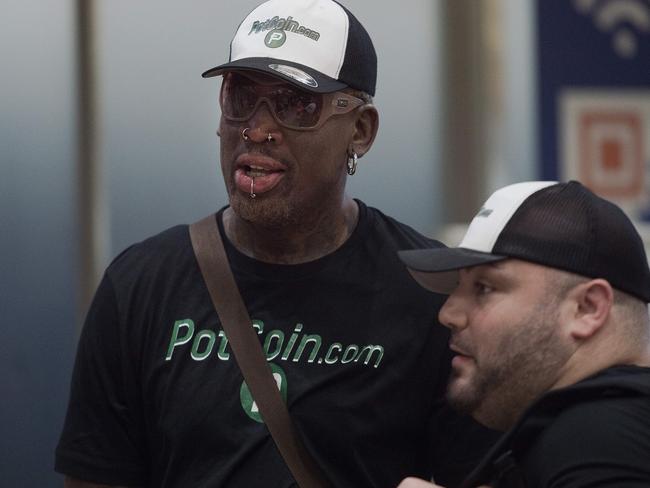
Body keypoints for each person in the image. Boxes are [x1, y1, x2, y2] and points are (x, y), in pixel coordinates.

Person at [55, 0, 498, 486]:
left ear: (361, 130)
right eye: (241, 97)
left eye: (295, 104)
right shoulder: (140, 287)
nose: (258, 129)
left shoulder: (430, 293)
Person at [396, 180, 650, 488]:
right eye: (457, 287)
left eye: (485, 288)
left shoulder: (597, 431)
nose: (448, 314)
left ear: (587, 308)